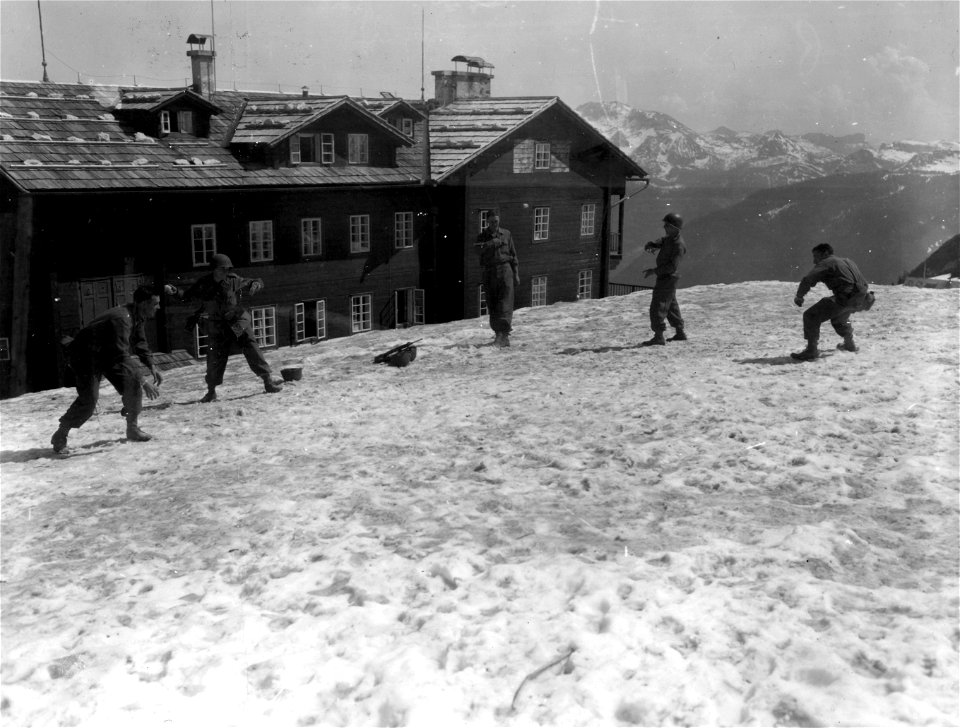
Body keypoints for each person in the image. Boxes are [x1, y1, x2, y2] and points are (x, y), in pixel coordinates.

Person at [51, 285, 163, 454]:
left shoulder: (138, 315)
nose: (158, 307)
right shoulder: (122, 319)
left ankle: (132, 429)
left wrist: (152, 366)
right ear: (143, 303)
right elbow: (121, 355)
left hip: (106, 354)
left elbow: (140, 342)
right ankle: (60, 435)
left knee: (131, 385)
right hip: (85, 356)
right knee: (89, 399)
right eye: (155, 304)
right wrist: (144, 381)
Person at [169, 254, 283, 401]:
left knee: (251, 346)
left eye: (227, 269)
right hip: (218, 326)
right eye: (223, 269)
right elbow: (187, 296)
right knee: (214, 357)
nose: (226, 272)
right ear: (214, 269)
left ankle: (268, 382)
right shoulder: (204, 284)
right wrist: (174, 291)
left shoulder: (233, 280)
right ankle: (211, 392)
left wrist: (256, 284)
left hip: (236, 321)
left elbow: (253, 282)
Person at [791, 243, 872, 361]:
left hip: (844, 298)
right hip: (861, 299)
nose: (814, 261)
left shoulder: (827, 262)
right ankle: (849, 344)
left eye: (816, 256)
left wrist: (799, 296)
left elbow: (808, 279)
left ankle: (811, 350)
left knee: (811, 315)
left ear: (825, 253)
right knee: (839, 318)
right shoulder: (848, 261)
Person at [641, 212, 687, 346]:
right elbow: (662, 241)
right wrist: (653, 244)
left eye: (667, 225)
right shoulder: (671, 239)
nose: (665, 227)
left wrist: (654, 271)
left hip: (668, 278)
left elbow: (672, 267)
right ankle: (680, 332)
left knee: (658, 306)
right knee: (671, 305)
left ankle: (659, 336)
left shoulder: (678, 245)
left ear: (675, 227)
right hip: (667, 278)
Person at [477, 210, 520, 347]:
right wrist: (491, 243)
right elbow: (477, 251)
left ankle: (505, 336)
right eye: (491, 222)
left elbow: (513, 255)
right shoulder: (482, 237)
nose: (494, 224)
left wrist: (516, 274)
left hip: (506, 270)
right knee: (493, 303)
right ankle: (498, 335)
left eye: (496, 221)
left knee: (506, 304)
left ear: (499, 221)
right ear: (487, 222)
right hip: (490, 272)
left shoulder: (507, 234)